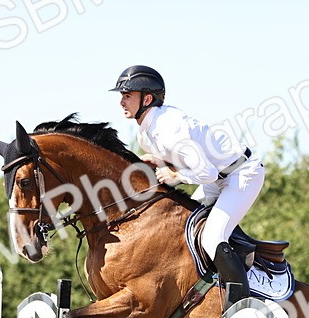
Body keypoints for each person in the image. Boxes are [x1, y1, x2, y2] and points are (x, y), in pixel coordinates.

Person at [111, 64, 263, 303]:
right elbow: (180, 161)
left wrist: (176, 177)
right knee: (184, 226)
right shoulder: (145, 133)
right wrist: (159, 162)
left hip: (241, 174)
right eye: (122, 95)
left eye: (127, 95)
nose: (122, 101)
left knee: (212, 237)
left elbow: (207, 173)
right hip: (218, 177)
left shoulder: (169, 128)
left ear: (147, 99)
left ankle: (240, 305)